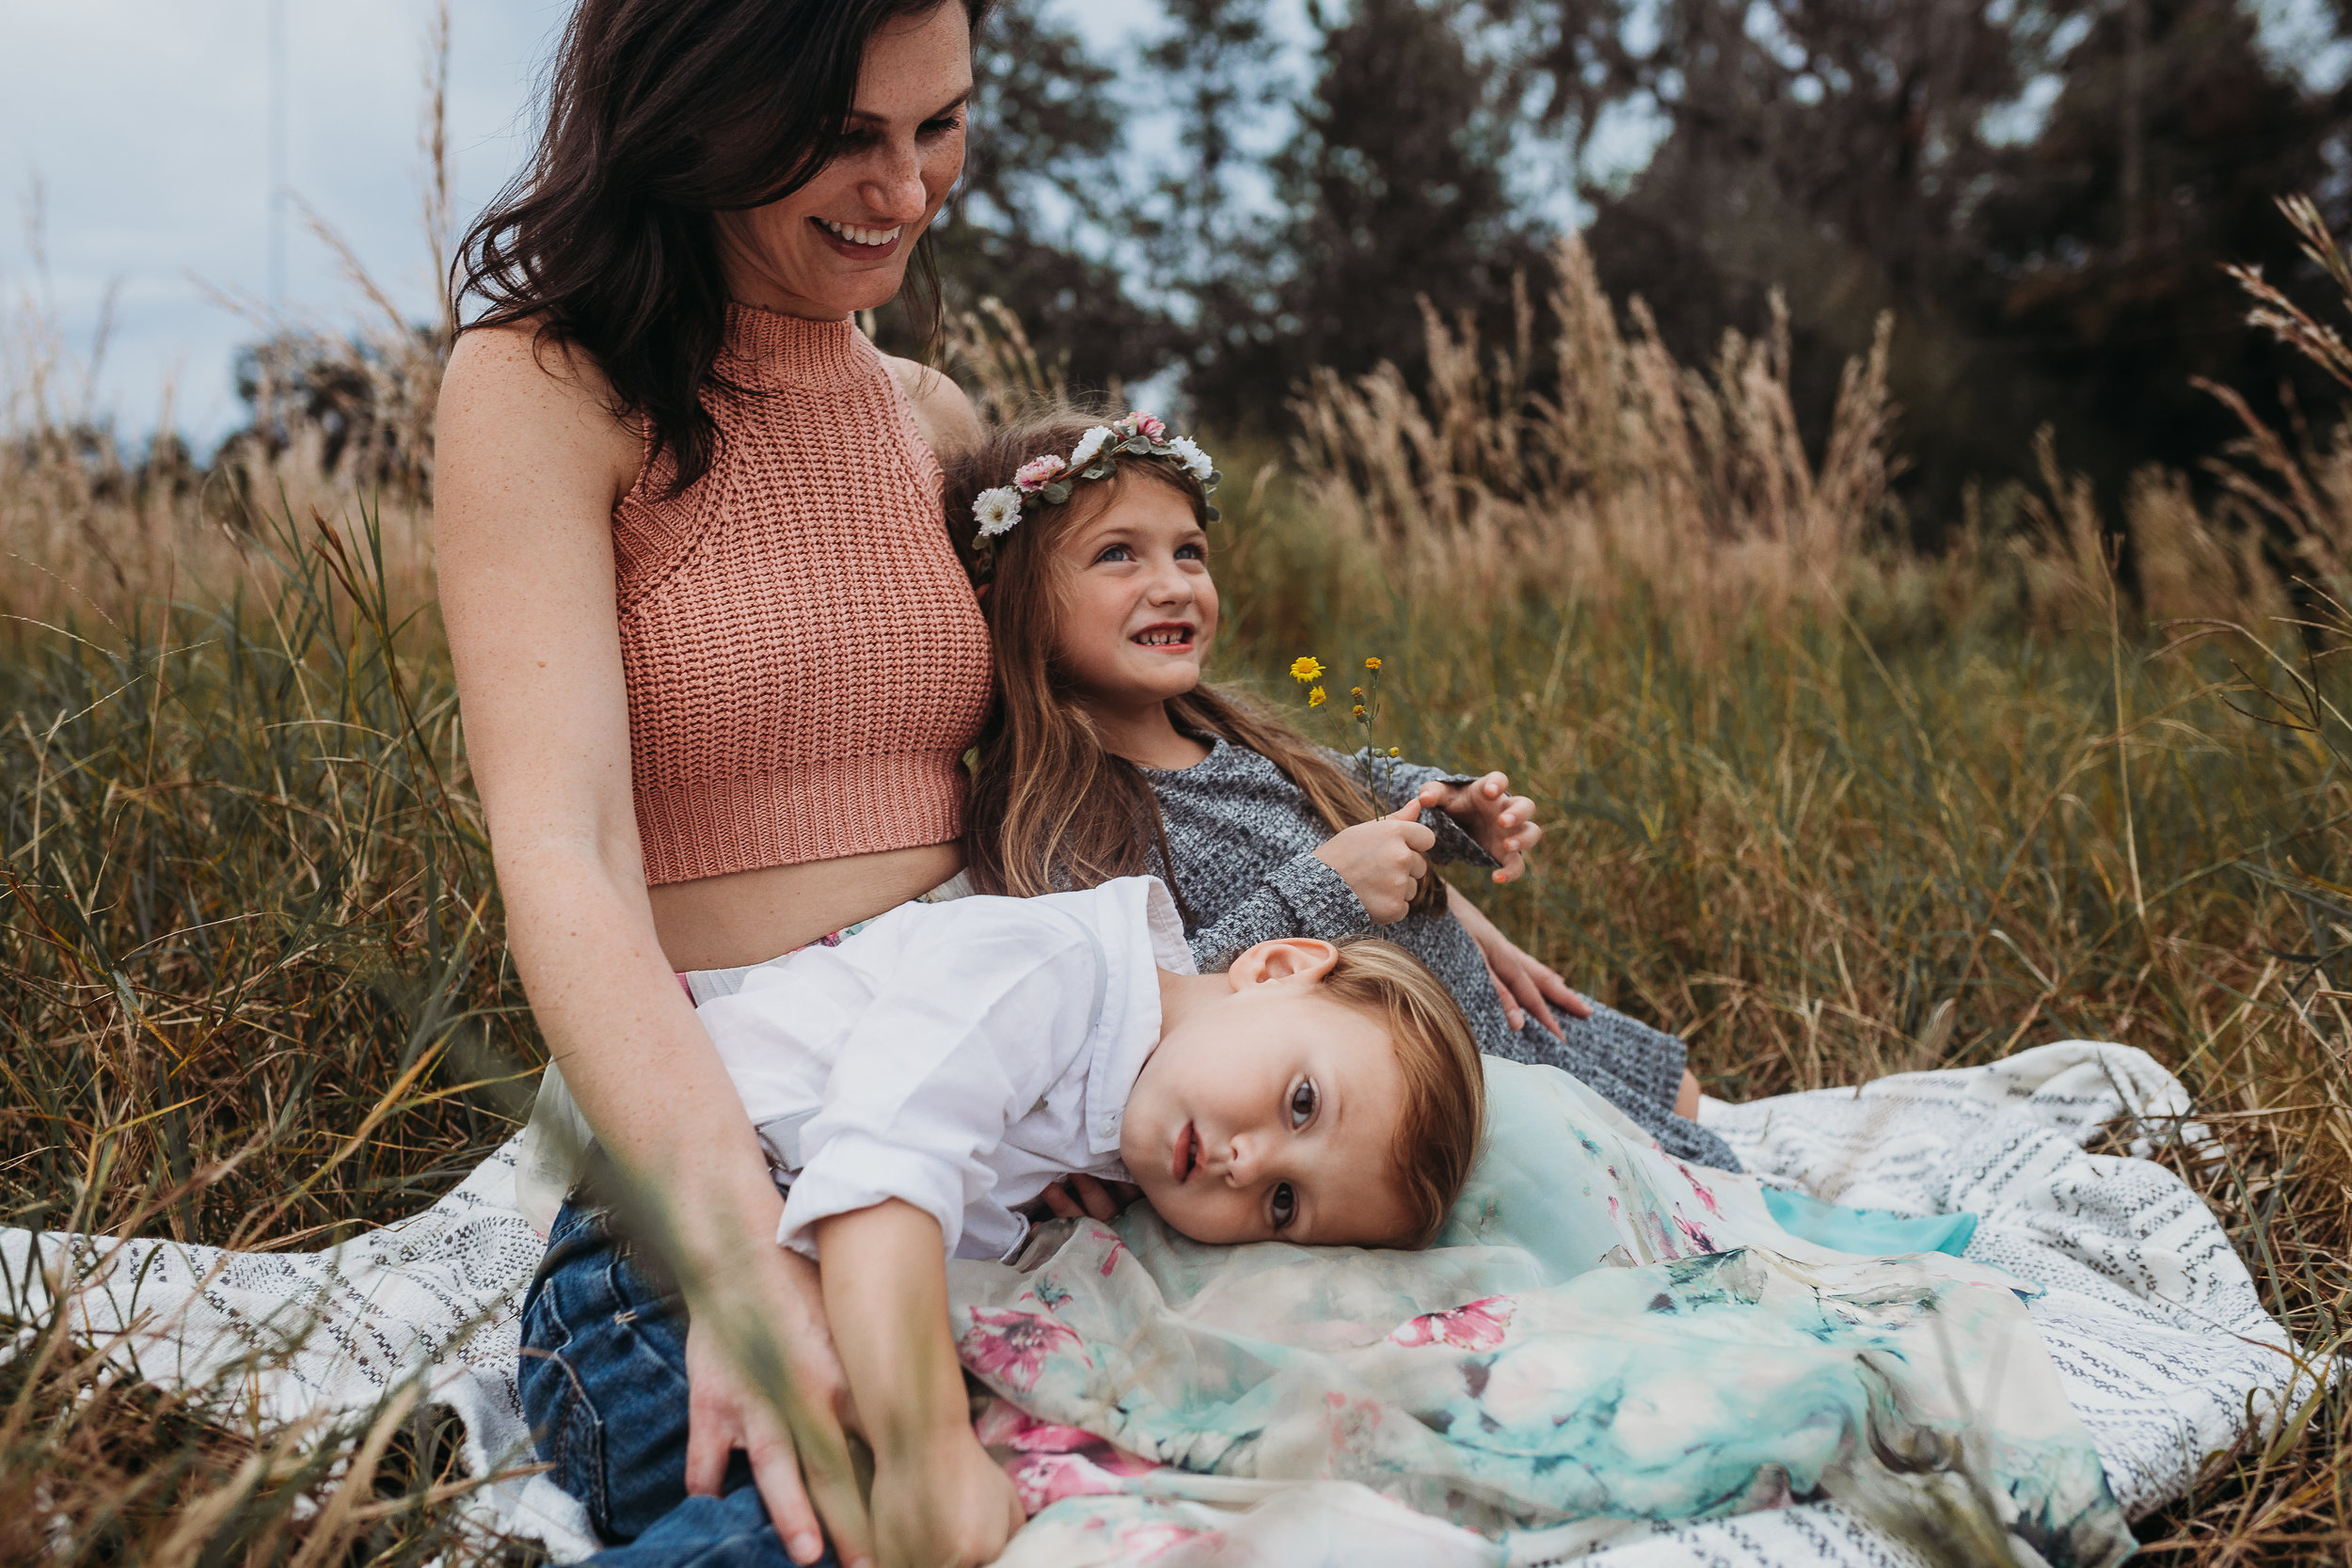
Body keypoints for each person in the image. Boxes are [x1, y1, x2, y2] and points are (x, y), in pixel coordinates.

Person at [432, 1, 1002, 1564]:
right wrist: (746, 1263)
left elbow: (1097, 756)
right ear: (700, 115)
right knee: (862, 1521)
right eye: (843, 140)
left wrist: (1374, 866)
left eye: (939, 124)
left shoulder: (931, 419)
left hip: (960, 1140)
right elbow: (566, 854)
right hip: (713, 1160)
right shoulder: (547, 385)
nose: (908, 192)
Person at [520, 877, 1485, 1566]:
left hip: (746, 1319)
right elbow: (880, 1175)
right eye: (1303, 1101)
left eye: (1283, 1204)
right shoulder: (1050, 965)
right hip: (653, 1290)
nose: (1249, 1161)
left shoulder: (1125, 1105)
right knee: (871, 1526)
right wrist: (926, 1448)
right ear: (1275, 963)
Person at [947, 410, 1740, 1170]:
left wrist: (1453, 804)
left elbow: (1355, 779)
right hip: (1396, 1073)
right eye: (1119, 554)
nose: (1174, 584)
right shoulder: (1057, 819)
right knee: (1653, 1178)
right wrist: (1328, 888)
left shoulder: (1229, 732)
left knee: (1684, 1097)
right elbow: (1140, 1006)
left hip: (1475, 998)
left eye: (1189, 552)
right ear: (1013, 597)